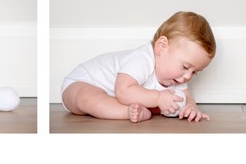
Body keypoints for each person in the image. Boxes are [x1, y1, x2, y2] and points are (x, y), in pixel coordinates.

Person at [61, 11, 215, 123]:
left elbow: (187, 97)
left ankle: (135, 111)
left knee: (103, 101)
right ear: (161, 47)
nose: (188, 76)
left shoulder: (177, 77)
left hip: (111, 96)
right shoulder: (142, 59)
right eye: (185, 66)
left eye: (194, 72)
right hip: (81, 82)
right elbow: (123, 91)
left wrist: (191, 108)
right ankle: (128, 112)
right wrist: (158, 98)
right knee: (87, 99)